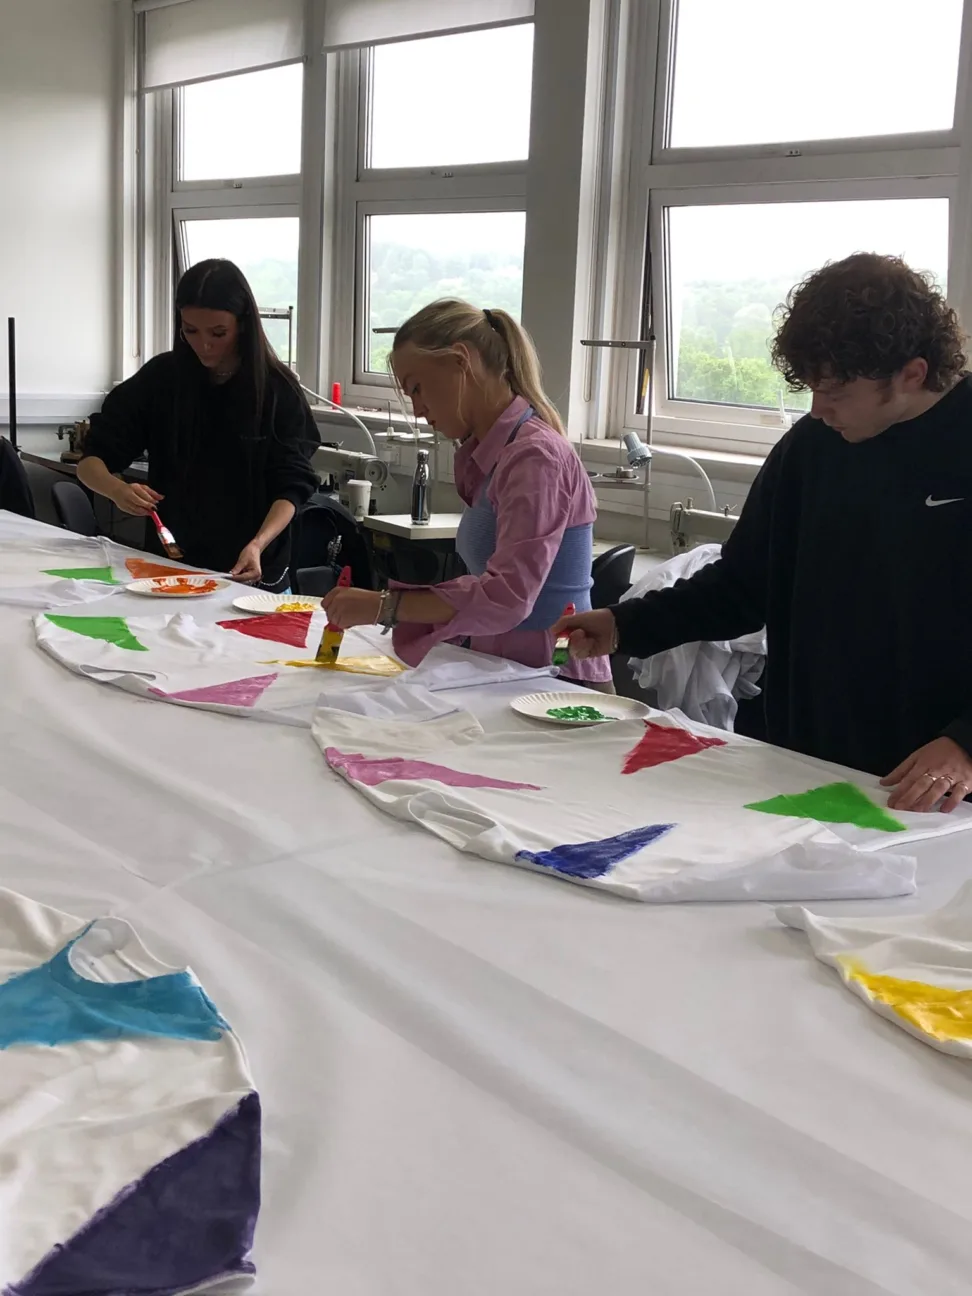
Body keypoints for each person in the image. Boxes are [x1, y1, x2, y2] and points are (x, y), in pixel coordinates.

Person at [556, 252, 972, 811]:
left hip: (939, 781)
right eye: (811, 389)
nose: (817, 409)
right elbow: (744, 584)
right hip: (810, 756)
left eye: (836, 393)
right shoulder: (813, 446)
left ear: (912, 374)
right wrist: (623, 623)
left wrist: (965, 743)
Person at [322, 299, 612, 687]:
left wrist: (384, 606)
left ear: (462, 361)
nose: (418, 409)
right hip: (507, 666)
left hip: (552, 673)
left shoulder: (534, 457)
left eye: (418, 388)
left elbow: (507, 597)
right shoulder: (494, 454)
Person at [79, 259, 319, 591]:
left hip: (253, 576)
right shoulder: (162, 380)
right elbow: (90, 463)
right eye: (190, 330)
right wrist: (117, 490)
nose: (204, 345)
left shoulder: (277, 391)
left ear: (243, 325)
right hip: (172, 571)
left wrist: (257, 544)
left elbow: (291, 488)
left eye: (218, 333)